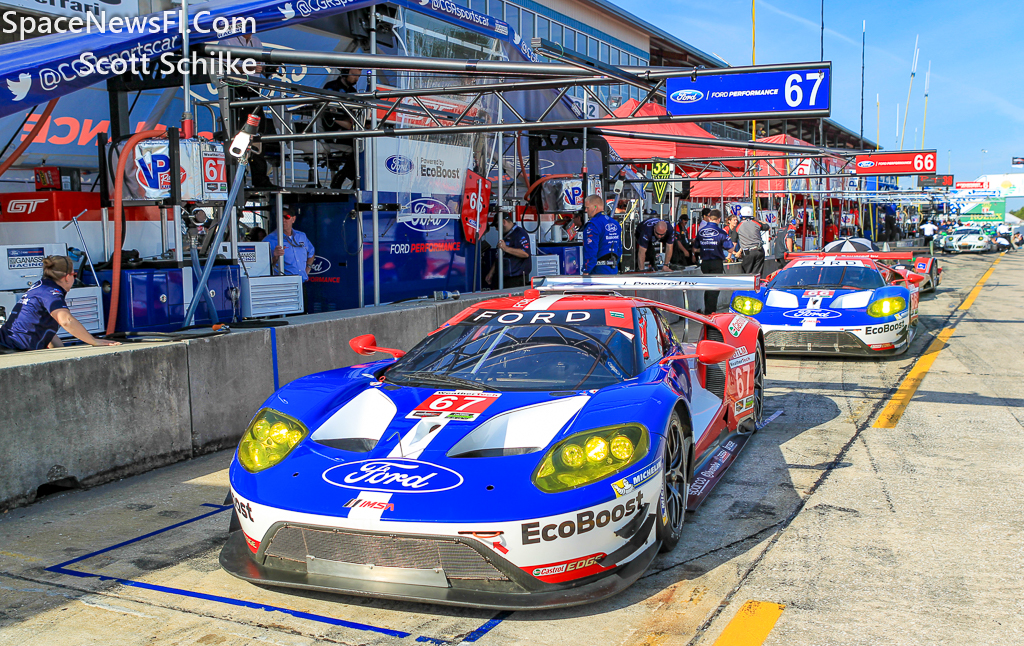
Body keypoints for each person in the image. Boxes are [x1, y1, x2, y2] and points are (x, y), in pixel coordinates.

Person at [0, 256, 121, 352]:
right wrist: (94, 341)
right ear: (67, 277)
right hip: (14, 349)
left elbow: (46, 331)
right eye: (74, 275)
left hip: (9, 345)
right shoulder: (51, 292)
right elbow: (66, 321)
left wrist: (63, 355)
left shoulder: (40, 286)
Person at [219, 31, 279, 189]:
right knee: (236, 136)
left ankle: (260, 179)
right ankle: (234, 181)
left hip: (253, 93)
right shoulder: (227, 40)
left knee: (259, 136)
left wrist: (269, 69)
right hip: (234, 92)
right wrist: (248, 67)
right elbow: (225, 66)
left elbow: (262, 66)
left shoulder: (257, 41)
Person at [323, 69, 363, 190]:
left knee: (365, 143)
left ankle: (346, 176)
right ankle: (347, 176)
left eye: (358, 76)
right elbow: (329, 116)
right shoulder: (331, 87)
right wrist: (352, 127)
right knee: (360, 144)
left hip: (350, 132)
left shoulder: (353, 92)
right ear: (345, 72)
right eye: (354, 75)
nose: (356, 79)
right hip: (333, 132)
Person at [696, 209, 734, 315]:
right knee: (714, 288)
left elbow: (695, 249)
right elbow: (730, 249)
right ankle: (710, 313)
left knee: (708, 287)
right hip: (716, 263)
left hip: (704, 263)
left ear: (709, 218)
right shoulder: (721, 232)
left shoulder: (701, 231)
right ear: (719, 219)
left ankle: (708, 310)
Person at [264, 209, 315, 281]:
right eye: (280, 217)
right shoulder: (269, 240)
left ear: (293, 219)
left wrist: (308, 268)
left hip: (301, 283)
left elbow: (311, 252)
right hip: (283, 284)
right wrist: (275, 257)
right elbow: (263, 268)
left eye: (286, 217)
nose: (283, 220)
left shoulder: (301, 236)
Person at [485, 213, 532, 288]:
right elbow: (499, 256)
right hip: (502, 277)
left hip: (515, 279)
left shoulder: (520, 233)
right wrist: (491, 273)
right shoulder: (504, 235)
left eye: (497, 225)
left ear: (504, 222)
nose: (496, 229)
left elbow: (525, 253)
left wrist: (505, 248)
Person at [581, 194, 622, 275]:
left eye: (587, 208)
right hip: (613, 269)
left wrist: (586, 270)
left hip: (598, 270)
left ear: (595, 207)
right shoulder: (615, 223)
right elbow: (619, 248)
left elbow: (591, 250)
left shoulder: (593, 225)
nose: (586, 210)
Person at [737, 206, 770, 276]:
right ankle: (756, 285)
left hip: (747, 252)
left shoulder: (739, 226)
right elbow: (767, 226)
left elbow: (734, 241)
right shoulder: (756, 223)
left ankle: (748, 286)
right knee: (757, 274)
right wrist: (757, 220)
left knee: (747, 273)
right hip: (759, 250)